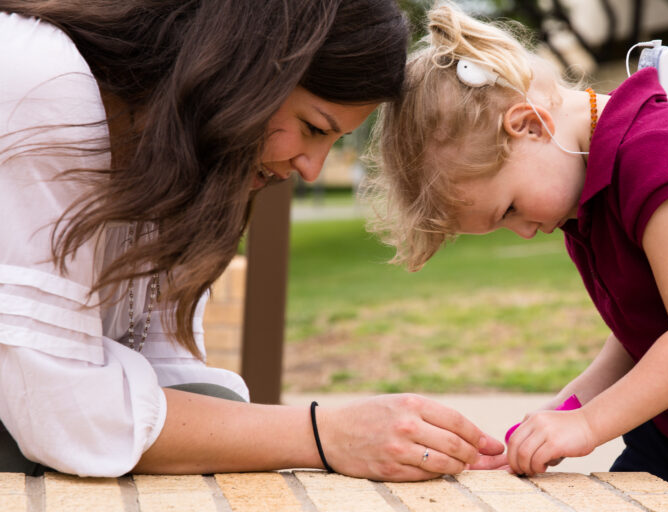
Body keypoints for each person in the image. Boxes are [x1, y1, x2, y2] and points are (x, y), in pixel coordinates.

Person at [0, 0, 507, 480]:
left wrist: (370, 436)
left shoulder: (168, 148)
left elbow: (165, 374)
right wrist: (325, 435)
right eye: (312, 128)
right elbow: (62, 412)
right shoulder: (44, 83)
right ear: (246, 72)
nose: (312, 168)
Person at [365, 2, 668, 509]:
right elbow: (641, 334)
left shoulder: (657, 156)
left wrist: (588, 425)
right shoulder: (582, 196)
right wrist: (557, 414)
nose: (525, 233)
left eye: (508, 208)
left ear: (530, 126)